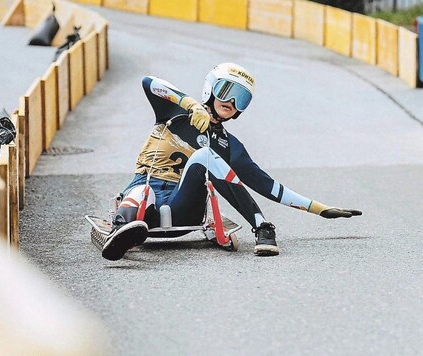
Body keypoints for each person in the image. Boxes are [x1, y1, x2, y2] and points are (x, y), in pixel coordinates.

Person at [94, 63, 362, 261]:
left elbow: (267, 185)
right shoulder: (174, 112)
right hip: (145, 198)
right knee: (143, 192)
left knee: (205, 156)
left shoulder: (228, 145)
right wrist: (191, 106)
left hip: (182, 206)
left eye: (241, 98)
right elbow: (147, 81)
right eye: (226, 91)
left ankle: (263, 228)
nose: (231, 102)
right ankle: (122, 230)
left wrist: (318, 208)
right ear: (210, 89)